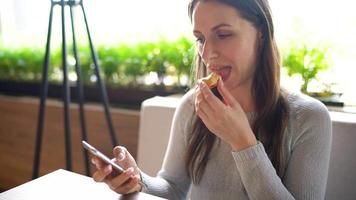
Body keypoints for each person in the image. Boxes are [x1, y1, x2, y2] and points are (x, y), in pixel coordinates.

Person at [91, 0, 332, 199]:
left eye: (223, 34)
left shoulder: (308, 118)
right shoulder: (193, 105)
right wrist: (137, 181)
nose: (207, 54)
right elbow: (173, 188)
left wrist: (243, 142)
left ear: (260, 33)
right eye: (200, 38)